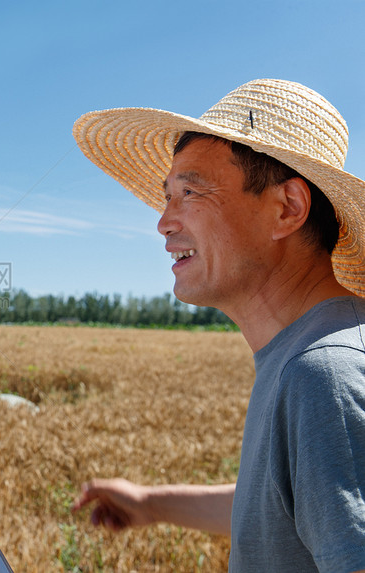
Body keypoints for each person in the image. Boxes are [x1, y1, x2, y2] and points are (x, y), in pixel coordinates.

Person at [71, 79, 365, 571]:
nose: (163, 222)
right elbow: (286, 508)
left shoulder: (322, 373)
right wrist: (150, 503)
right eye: (168, 196)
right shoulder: (306, 352)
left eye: (190, 191)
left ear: (287, 209)